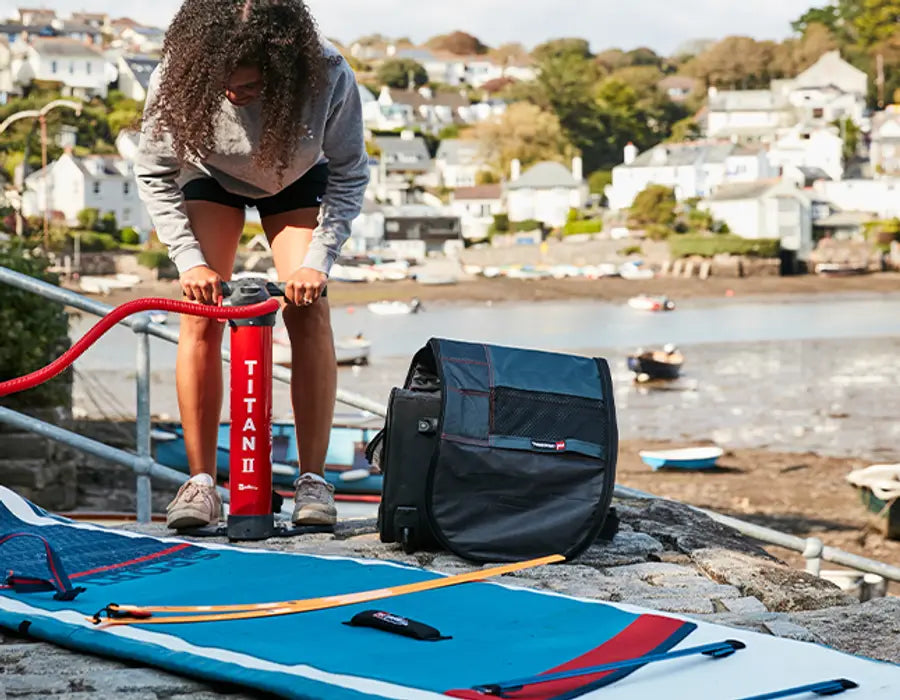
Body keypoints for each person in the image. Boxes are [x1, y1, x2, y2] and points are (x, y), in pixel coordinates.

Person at [135, 0, 369, 530]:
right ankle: (199, 484)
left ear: (280, 69)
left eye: (249, 87)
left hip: (296, 174)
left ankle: (313, 481)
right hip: (208, 173)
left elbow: (351, 172)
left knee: (311, 310)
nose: (234, 95)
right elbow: (153, 173)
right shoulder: (178, 70)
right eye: (224, 85)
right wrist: (189, 261)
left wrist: (318, 262)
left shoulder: (328, 73)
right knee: (199, 312)